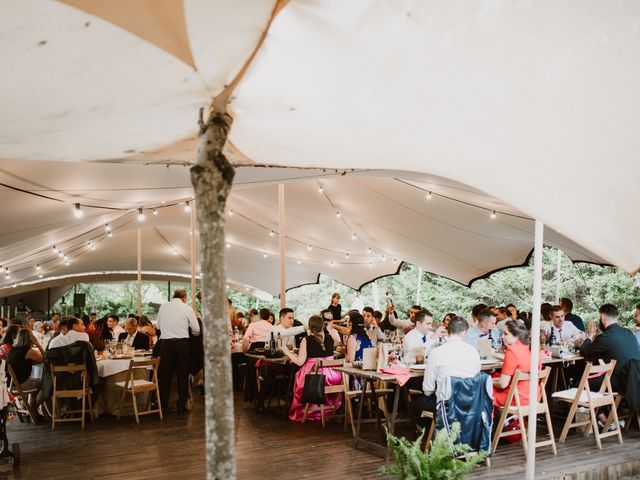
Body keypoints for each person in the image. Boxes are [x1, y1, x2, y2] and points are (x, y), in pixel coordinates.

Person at [410, 316, 481, 432]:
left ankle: (433, 433)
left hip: (446, 404)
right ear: (464, 332)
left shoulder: (436, 353)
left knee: (414, 404)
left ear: (448, 331)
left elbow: (428, 389)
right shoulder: (473, 352)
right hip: (471, 402)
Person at [282, 315, 342, 422]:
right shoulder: (329, 338)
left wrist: (285, 351)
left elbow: (299, 362)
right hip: (334, 376)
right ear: (322, 326)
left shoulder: (307, 340)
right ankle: (326, 410)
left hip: (317, 377)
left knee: (299, 378)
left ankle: (311, 411)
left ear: (310, 327)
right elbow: (337, 343)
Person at [156, 288, 200, 414]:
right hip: (182, 345)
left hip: (166, 345)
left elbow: (158, 326)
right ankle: (181, 406)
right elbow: (196, 330)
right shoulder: (187, 308)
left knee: (165, 376)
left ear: (173, 296)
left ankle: (163, 406)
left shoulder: (163, 307)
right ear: (184, 297)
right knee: (182, 375)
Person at [580, 304, 640, 392]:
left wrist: (591, 335)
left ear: (603, 318)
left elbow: (584, 351)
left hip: (620, 382)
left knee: (578, 384)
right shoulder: (629, 333)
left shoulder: (606, 336)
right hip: (635, 381)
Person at [493, 320, 540, 407]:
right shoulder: (534, 349)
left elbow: (502, 384)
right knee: (494, 376)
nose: (502, 336)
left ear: (517, 336)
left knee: (484, 390)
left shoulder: (512, 351)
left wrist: (488, 382)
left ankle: (487, 420)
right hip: (534, 397)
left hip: (517, 398)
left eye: (506, 334)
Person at [7, 329, 45, 416]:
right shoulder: (28, 351)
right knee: (44, 383)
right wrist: (39, 345)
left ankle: (27, 407)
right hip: (21, 384)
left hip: (11, 384)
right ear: (30, 338)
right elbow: (45, 359)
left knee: (34, 381)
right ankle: (32, 408)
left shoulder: (14, 349)